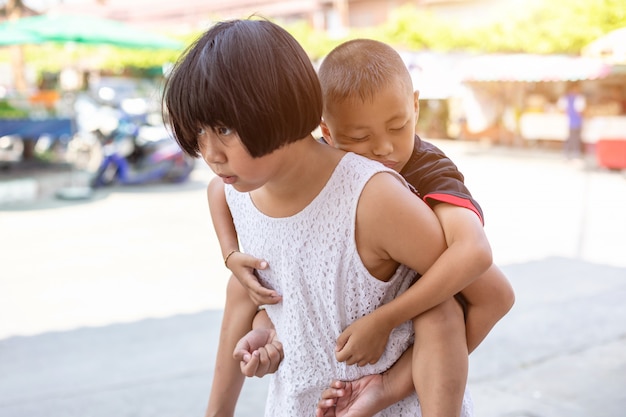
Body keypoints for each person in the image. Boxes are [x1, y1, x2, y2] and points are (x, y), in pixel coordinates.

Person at [163, 18, 474, 416]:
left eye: (224, 129)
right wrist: (268, 333)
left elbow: (471, 302)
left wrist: (390, 386)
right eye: (199, 132)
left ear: (277, 108)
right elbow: (248, 291)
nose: (210, 153)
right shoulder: (232, 193)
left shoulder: (372, 197)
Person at [558, 82, 586, 159]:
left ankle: (568, 153)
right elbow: (580, 111)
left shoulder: (566, 98)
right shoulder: (578, 98)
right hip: (574, 120)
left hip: (570, 120)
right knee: (574, 138)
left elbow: (562, 109)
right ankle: (573, 153)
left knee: (571, 137)